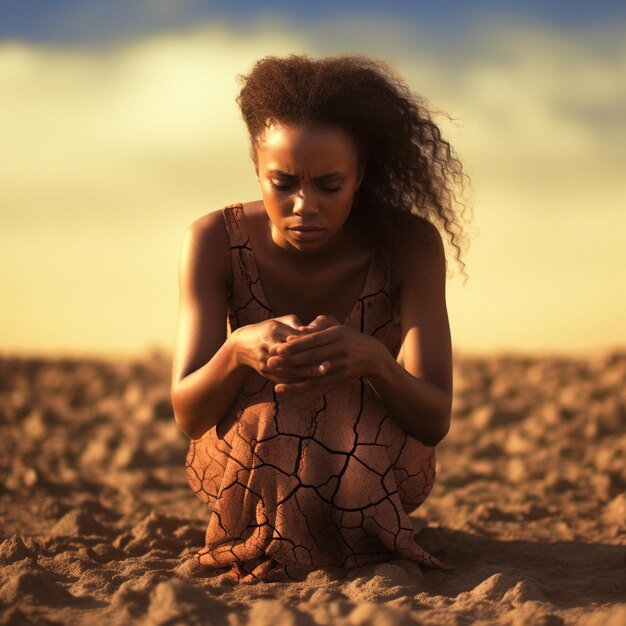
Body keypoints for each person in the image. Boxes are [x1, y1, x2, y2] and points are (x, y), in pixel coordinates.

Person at [171, 54, 471, 584]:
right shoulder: (213, 241)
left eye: (330, 185)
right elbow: (190, 415)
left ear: (361, 176)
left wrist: (373, 360)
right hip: (242, 467)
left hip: (377, 468)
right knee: (277, 410)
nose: (303, 205)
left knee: (334, 399)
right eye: (282, 182)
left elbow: (433, 419)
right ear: (255, 169)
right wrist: (240, 347)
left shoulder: (409, 245)